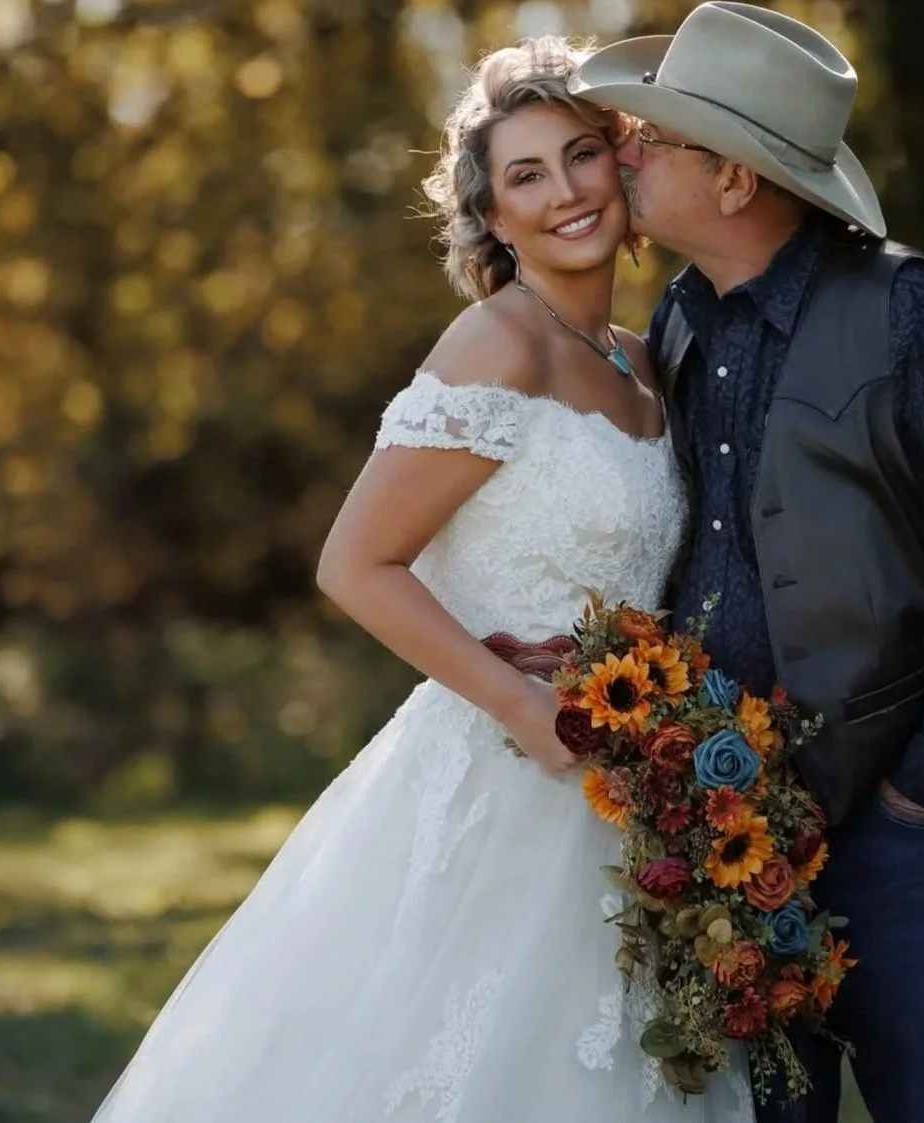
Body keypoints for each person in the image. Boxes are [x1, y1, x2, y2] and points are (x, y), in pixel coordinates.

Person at [87, 36, 755, 1123]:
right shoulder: (497, 344)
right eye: (526, 175)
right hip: (506, 773)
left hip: (633, 789)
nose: (565, 192)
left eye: (581, 156)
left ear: (622, 167)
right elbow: (355, 563)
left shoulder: (641, 359)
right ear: (493, 218)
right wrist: (523, 706)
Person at [570, 5, 924, 1122]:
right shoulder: (679, 319)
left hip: (911, 840)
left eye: (651, 139)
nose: (624, 155)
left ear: (734, 180)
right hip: (730, 838)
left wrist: (921, 790)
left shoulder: (907, 312)